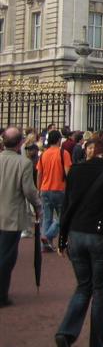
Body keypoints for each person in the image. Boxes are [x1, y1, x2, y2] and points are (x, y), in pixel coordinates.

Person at [54, 132, 103, 347]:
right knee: (100, 291)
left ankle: (66, 332)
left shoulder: (76, 170)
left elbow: (67, 205)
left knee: (83, 287)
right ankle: (97, 344)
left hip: (75, 234)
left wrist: (62, 238)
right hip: (100, 236)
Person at [0, 127, 42, 308]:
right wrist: (38, 206)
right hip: (12, 216)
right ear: (19, 143)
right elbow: (29, 191)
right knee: (6, 257)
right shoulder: (23, 163)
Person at [38, 129, 73, 252]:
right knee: (62, 217)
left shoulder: (43, 154)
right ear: (59, 140)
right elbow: (68, 173)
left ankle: (45, 244)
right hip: (59, 188)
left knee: (47, 218)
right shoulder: (64, 153)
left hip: (45, 188)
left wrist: (39, 188)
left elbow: (39, 173)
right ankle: (48, 236)